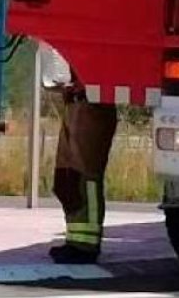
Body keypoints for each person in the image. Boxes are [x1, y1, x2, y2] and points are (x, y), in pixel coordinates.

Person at [48, 82, 118, 264]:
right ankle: (74, 241)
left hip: (92, 105)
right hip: (75, 103)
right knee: (67, 178)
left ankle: (86, 246)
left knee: (85, 179)